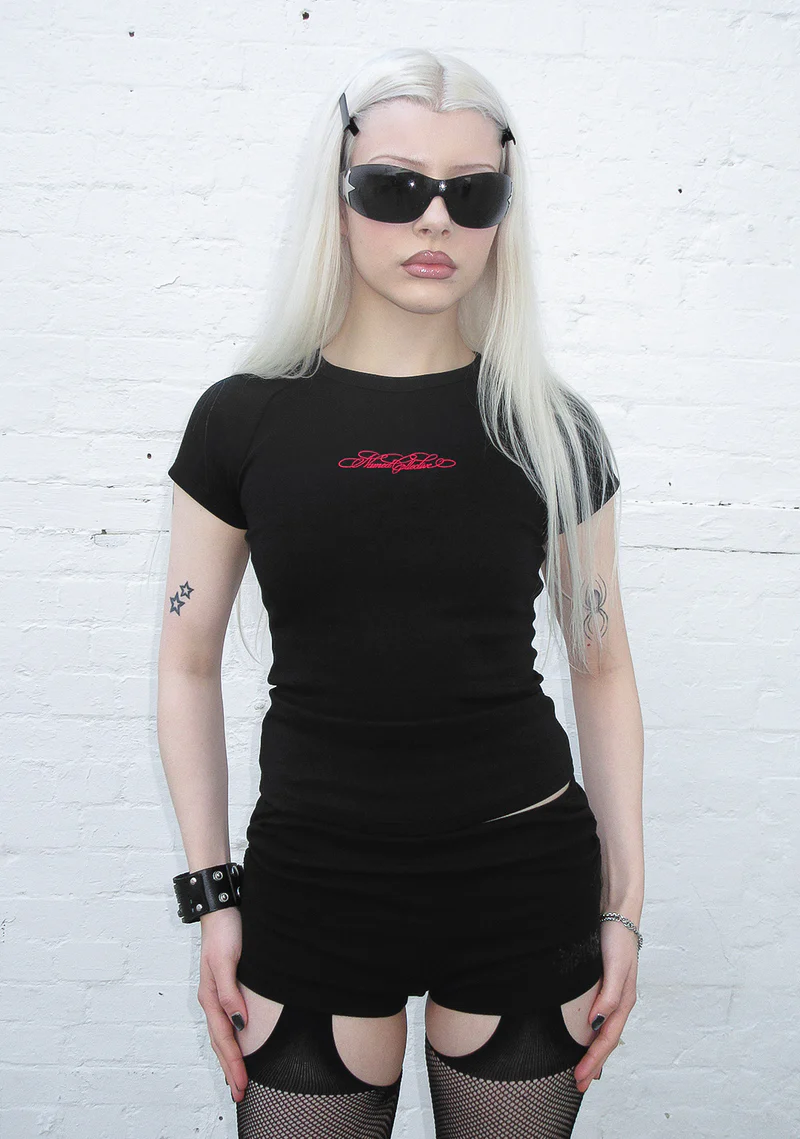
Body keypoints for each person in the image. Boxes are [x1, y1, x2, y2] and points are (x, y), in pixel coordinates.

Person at [158, 47, 645, 1139]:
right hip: (314, 877)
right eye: (395, 186)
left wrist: (623, 906)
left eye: (472, 194)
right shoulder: (241, 420)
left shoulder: (549, 427)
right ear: (336, 198)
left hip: (522, 873)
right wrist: (212, 893)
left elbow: (603, 667)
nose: (434, 219)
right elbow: (186, 663)